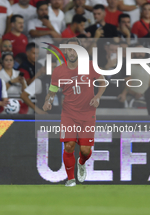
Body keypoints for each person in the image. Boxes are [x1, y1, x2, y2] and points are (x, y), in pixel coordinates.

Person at [42, 38, 106, 187]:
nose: (72, 52)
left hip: (88, 114)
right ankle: (70, 179)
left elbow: (103, 82)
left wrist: (97, 97)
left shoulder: (89, 66)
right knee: (69, 146)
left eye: (75, 50)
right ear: (65, 51)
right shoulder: (58, 71)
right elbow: (52, 91)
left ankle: (81, 163)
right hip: (69, 114)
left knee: (84, 150)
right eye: (70, 49)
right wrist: (48, 101)